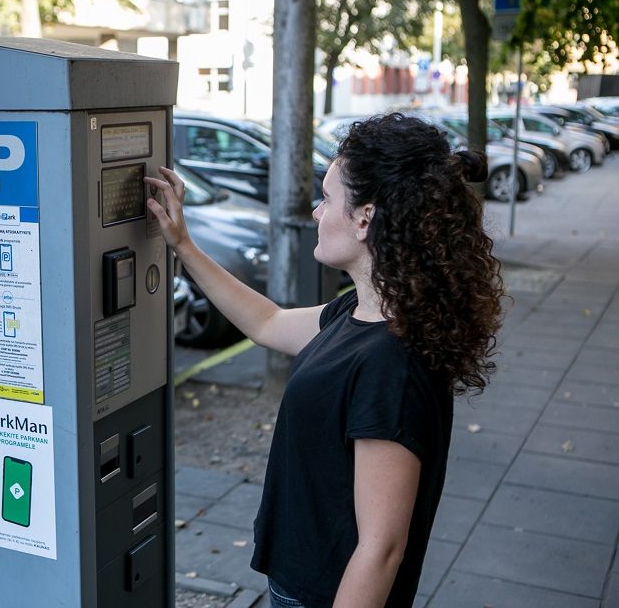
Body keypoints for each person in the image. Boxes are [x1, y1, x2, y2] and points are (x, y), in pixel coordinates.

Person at [144, 113, 504, 608]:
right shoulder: (357, 313)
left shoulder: (390, 365)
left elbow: (381, 549)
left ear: (365, 217)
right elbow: (267, 322)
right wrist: (183, 245)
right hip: (299, 582)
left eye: (327, 198)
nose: (315, 212)